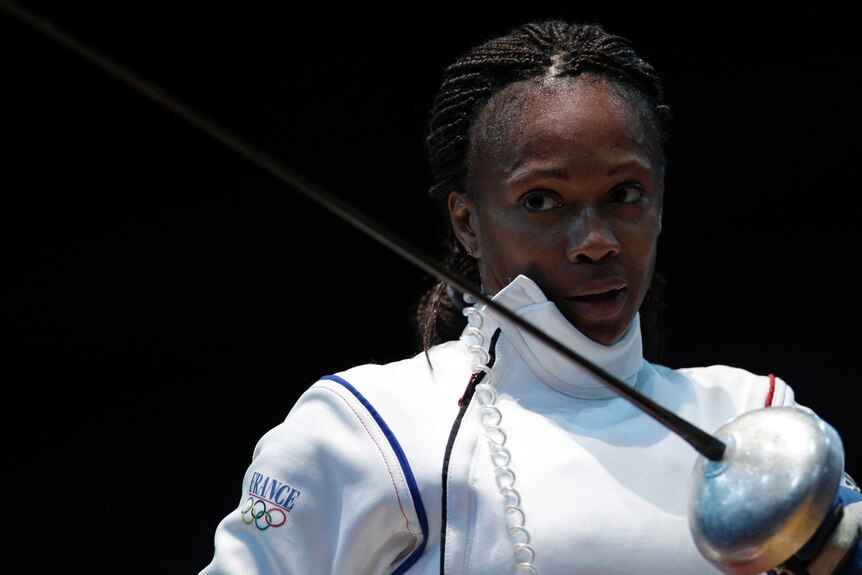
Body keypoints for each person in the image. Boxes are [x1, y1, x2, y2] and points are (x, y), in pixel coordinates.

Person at [199, 19, 861, 575]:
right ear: (467, 221)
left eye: (625, 194)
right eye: (540, 200)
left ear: (660, 201)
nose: (596, 241)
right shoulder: (368, 427)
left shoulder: (755, 419)